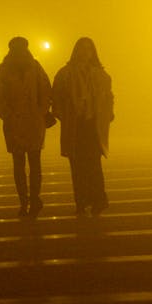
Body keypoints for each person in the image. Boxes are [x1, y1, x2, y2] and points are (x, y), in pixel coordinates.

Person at [52, 37, 114, 216]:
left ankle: (98, 201)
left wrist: (108, 113)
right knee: (77, 167)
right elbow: (56, 97)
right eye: (82, 49)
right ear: (76, 51)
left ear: (93, 52)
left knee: (94, 165)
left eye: (89, 49)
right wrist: (62, 114)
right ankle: (81, 202)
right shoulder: (65, 74)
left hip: (93, 126)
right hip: (75, 125)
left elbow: (109, 97)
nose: (85, 53)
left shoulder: (101, 75)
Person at [0, 37, 52, 217]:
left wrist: (40, 112)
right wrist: (7, 115)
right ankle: (24, 201)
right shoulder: (4, 70)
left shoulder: (35, 68)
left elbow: (45, 89)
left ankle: (34, 199)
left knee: (34, 163)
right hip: (14, 123)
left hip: (33, 122)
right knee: (19, 164)